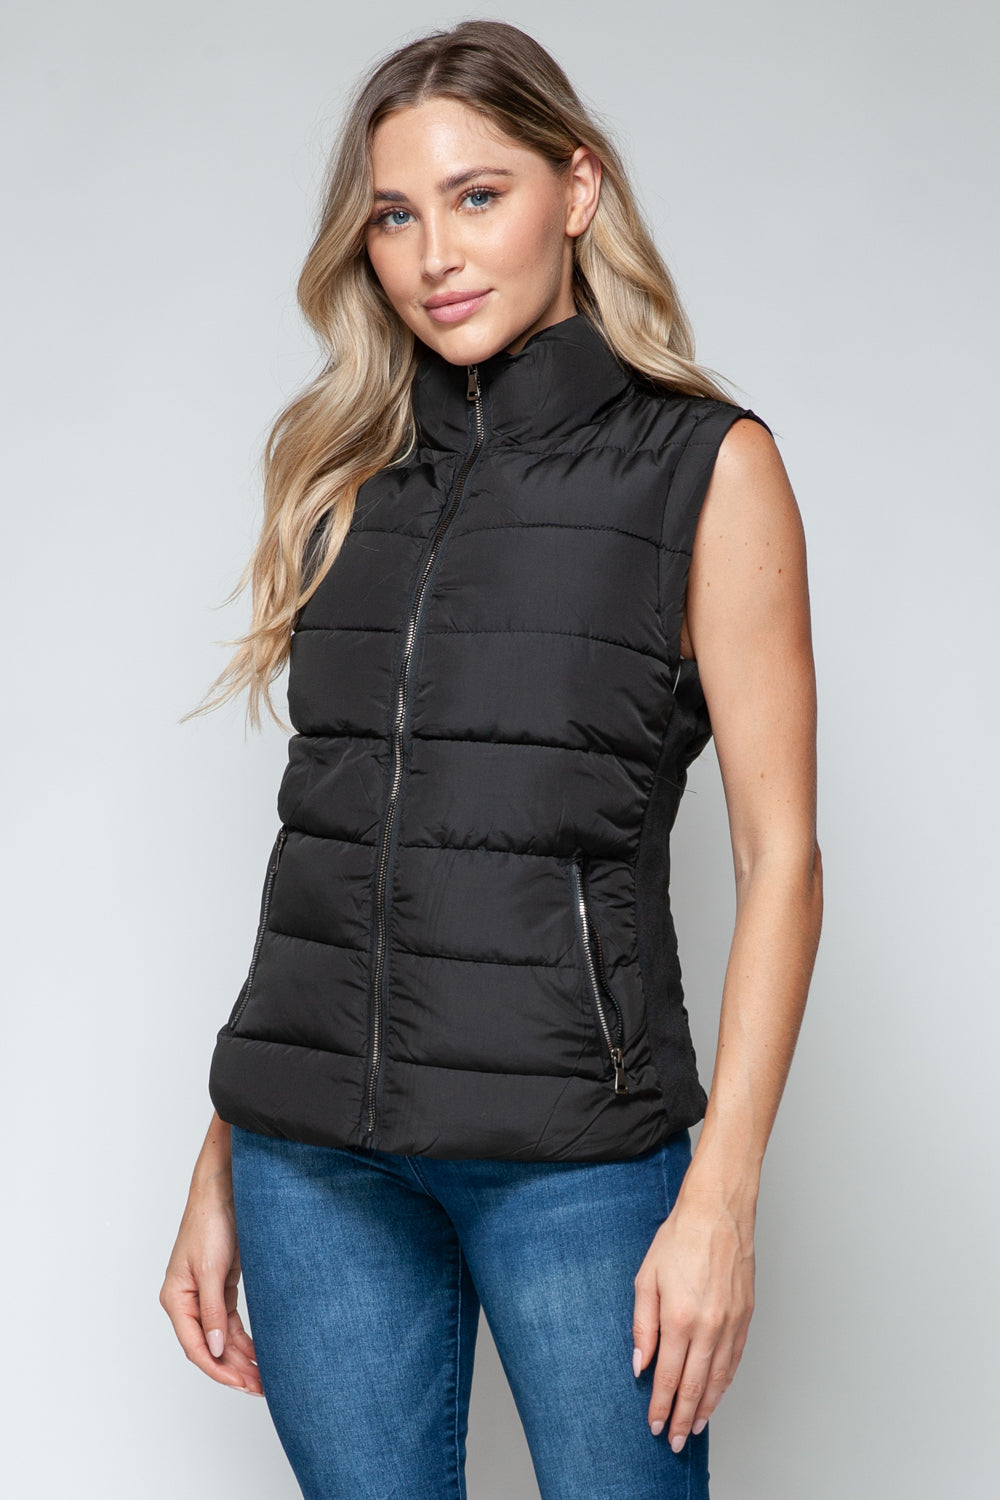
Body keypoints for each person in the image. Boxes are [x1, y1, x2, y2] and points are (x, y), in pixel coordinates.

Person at [160, 19, 822, 1500]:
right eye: (395, 215)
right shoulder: (347, 476)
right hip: (313, 1168)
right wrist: (228, 1144)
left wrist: (723, 1197)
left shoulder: (702, 467)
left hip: (575, 1159)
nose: (435, 255)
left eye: (478, 196)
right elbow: (327, 849)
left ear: (575, 190)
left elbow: (781, 857)